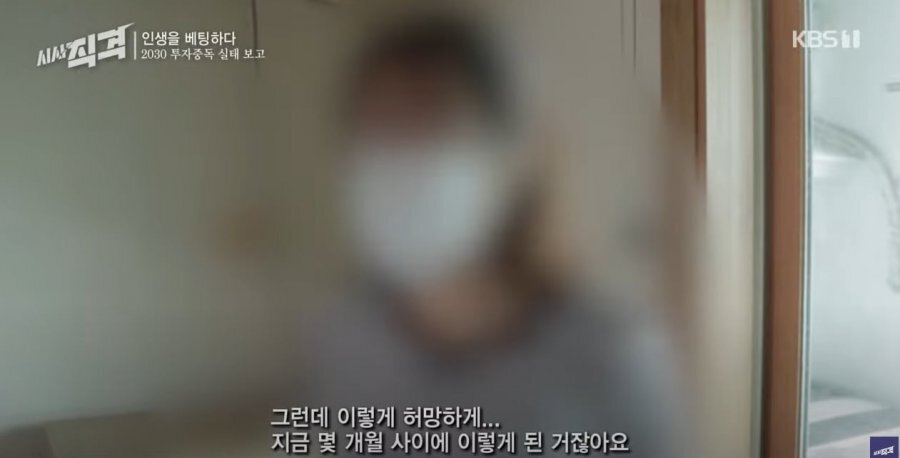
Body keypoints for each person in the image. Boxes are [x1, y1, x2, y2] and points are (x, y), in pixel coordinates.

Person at [304, 13, 683, 457]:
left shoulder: (611, 358)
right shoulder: (341, 343)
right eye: (376, 126)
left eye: (428, 119)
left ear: (507, 156)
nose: (397, 153)